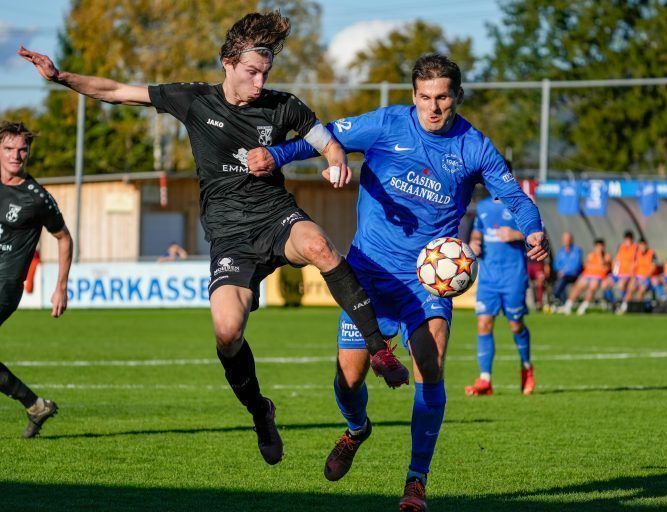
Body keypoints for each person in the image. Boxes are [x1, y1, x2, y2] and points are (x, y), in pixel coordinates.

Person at [19, 10, 410, 465]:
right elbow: (116, 91)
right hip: (229, 237)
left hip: (276, 217)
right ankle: (261, 411)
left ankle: (378, 350)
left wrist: (337, 162)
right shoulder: (193, 100)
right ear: (227, 63)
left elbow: (328, 142)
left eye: (265, 73)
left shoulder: (284, 105)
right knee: (227, 334)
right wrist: (61, 77)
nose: (260, 82)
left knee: (321, 246)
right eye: (251, 72)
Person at [250, 53, 548, 512]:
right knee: (349, 377)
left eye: (443, 97)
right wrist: (276, 155)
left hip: (427, 281)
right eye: (425, 97)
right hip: (368, 274)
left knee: (431, 361)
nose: (434, 107)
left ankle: (416, 481)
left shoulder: (474, 147)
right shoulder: (386, 124)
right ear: (414, 95)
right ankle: (357, 429)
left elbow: (513, 195)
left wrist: (533, 228)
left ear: (457, 96)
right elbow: (324, 137)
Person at [0, 121, 73, 437]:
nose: (15, 156)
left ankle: (33, 404)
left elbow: (64, 238)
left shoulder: (37, 197)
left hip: (5, 284)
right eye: (8, 149)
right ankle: (35, 405)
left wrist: (60, 287)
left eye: (22, 150)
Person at [464, 198, 534, 397]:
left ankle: (526, 367)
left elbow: (539, 235)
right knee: (483, 324)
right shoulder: (483, 206)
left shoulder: (522, 205)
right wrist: (474, 242)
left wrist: (517, 234)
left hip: (513, 276)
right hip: (488, 278)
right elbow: (477, 232)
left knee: (516, 325)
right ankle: (485, 379)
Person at [560, 239, 611, 316]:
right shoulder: (591, 255)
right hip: (587, 275)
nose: (599, 248)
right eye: (597, 247)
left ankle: (583, 307)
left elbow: (606, 267)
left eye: (601, 247)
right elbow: (586, 265)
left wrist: (600, 255)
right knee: (577, 287)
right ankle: (568, 305)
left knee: (592, 287)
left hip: (598, 276)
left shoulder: (606, 256)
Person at [626, 238, 661, 306]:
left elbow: (653, 268)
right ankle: (626, 307)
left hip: (648, 278)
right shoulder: (637, 254)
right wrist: (633, 277)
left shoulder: (652, 253)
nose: (643, 247)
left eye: (644, 245)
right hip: (638, 277)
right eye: (641, 245)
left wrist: (644, 277)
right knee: (630, 289)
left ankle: (639, 307)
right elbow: (632, 267)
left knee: (640, 292)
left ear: (647, 245)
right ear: (639, 246)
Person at [552, 231, 582, 306]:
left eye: (568, 239)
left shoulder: (576, 250)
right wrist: (560, 271)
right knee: (560, 280)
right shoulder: (560, 251)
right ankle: (560, 301)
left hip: (573, 275)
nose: (566, 241)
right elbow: (556, 264)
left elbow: (577, 265)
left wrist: (565, 271)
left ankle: (556, 297)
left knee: (562, 280)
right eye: (565, 239)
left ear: (571, 240)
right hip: (562, 275)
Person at [611, 230, 638, 314]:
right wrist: (614, 271)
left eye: (630, 239)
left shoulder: (636, 248)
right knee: (605, 284)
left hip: (630, 274)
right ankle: (613, 303)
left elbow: (637, 261)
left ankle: (623, 305)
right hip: (619, 273)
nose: (628, 241)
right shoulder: (621, 247)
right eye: (626, 239)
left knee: (625, 286)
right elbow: (616, 260)